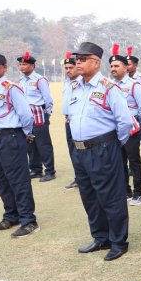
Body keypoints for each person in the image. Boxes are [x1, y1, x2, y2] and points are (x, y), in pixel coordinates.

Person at [70, 42, 133, 261]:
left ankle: (118, 241)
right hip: (79, 150)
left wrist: (112, 144)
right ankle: (100, 237)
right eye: (77, 58)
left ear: (95, 62)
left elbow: (124, 122)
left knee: (111, 196)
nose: (78, 62)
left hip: (103, 147)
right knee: (89, 195)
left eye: (83, 59)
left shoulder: (108, 87)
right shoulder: (75, 86)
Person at [0, 52, 40, 238]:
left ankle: (28, 221)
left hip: (10, 138)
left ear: (4, 68)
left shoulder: (11, 88)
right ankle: (11, 216)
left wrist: (23, 136)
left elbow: (26, 116)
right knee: (2, 181)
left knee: (18, 181)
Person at [109, 44, 141, 206]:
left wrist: (137, 126)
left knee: (134, 160)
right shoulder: (108, 85)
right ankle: (125, 191)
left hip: (132, 128)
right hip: (114, 128)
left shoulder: (134, 85)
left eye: (117, 66)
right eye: (111, 66)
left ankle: (138, 192)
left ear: (126, 68)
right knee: (119, 161)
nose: (113, 69)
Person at [17, 51, 56, 181]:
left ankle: (50, 171)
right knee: (30, 144)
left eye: (24, 64)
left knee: (43, 144)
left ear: (32, 66)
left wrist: (47, 115)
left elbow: (48, 99)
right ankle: (35, 169)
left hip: (39, 114)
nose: (22, 66)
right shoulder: (21, 81)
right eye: (20, 64)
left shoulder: (40, 80)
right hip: (26, 117)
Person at [61, 51, 80, 190]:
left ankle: (83, 177)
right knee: (72, 151)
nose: (68, 70)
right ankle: (78, 177)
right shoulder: (67, 83)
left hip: (78, 122)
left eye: (70, 67)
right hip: (68, 121)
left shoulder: (81, 83)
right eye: (66, 68)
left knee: (80, 151)